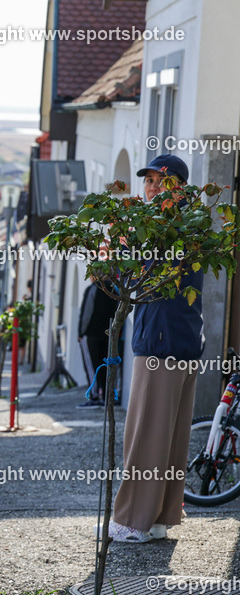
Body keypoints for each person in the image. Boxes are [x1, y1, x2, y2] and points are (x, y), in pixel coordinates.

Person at [106, 154, 200, 543]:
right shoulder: (188, 225)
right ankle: (159, 518)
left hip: (161, 339)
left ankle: (132, 521)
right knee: (171, 435)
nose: (151, 188)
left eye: (160, 182)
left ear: (178, 187)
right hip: (180, 337)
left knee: (146, 432)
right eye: (147, 182)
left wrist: (122, 248)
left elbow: (134, 277)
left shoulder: (167, 228)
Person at [77, 276, 118, 408]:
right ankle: (107, 396)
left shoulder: (93, 289)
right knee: (106, 365)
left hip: (91, 334)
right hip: (109, 334)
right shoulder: (114, 289)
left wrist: (81, 332)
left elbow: (87, 313)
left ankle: (94, 396)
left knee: (91, 366)